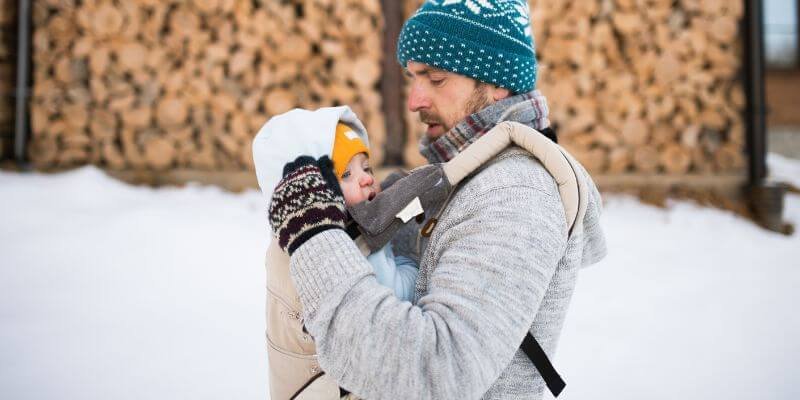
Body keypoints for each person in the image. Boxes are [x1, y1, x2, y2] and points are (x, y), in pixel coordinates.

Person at [263, 2, 608, 398]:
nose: (414, 101)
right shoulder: (468, 174)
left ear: (498, 83)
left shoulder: (514, 194)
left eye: (436, 79)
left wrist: (315, 238)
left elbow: (435, 374)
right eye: (413, 78)